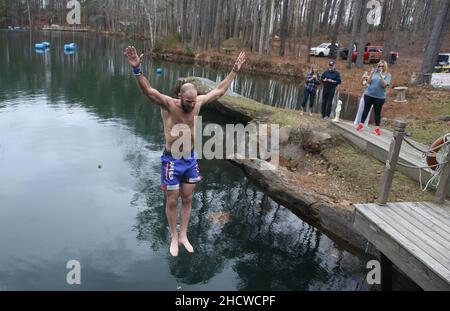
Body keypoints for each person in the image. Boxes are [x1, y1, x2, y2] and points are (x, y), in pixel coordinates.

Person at [124, 46, 246, 257]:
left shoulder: (197, 103)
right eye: (188, 101)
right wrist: (137, 69)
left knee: (188, 198)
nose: (191, 104)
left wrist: (234, 71)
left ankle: (183, 234)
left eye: (193, 100)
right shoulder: (169, 105)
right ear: (180, 96)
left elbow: (219, 91)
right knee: (172, 199)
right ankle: (173, 236)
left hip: (189, 159)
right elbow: (148, 90)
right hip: (172, 159)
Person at [356, 60, 391, 136]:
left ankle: (377, 128)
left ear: (385, 67)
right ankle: (361, 124)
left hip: (379, 97)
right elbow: (368, 82)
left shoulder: (388, 75)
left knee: (377, 113)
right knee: (366, 110)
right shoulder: (374, 73)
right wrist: (371, 74)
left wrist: (381, 75)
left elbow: (384, 85)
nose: (380, 67)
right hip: (369, 94)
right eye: (379, 66)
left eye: (382, 66)